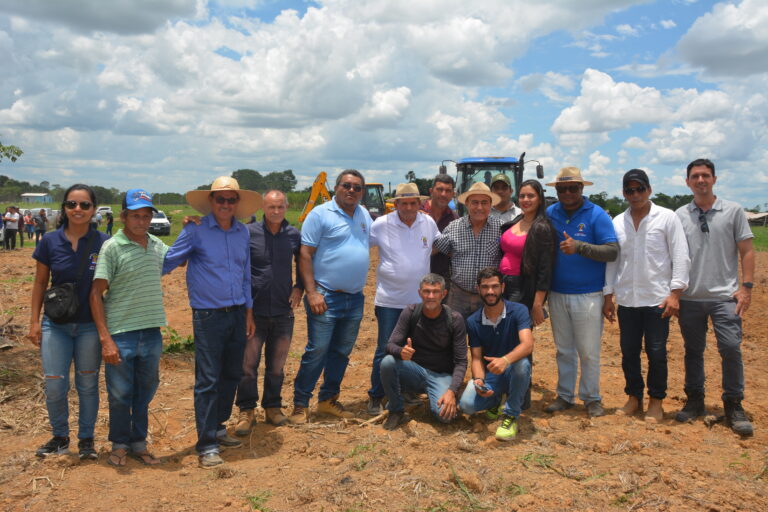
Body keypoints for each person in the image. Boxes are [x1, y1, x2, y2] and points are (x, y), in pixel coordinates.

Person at [163, 176, 261, 468]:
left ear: (237, 204)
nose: (226, 204)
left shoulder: (242, 233)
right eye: (221, 199)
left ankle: (218, 427)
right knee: (208, 379)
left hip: (237, 312)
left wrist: (249, 311)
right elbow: (168, 261)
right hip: (208, 316)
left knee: (231, 373)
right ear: (211, 202)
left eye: (231, 200)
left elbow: (245, 274)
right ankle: (206, 444)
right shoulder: (195, 231)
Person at [675, 158, 755, 436]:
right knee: (693, 352)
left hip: (725, 297)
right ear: (687, 182)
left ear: (714, 179)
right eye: (695, 176)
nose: (700, 180)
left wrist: (746, 287)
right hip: (690, 297)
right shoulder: (680, 215)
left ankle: (733, 404)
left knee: (731, 348)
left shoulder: (733, 211)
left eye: (705, 175)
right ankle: (695, 400)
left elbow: (746, 250)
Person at [27, 185, 108, 459]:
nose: (78, 209)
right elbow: (39, 283)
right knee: (54, 383)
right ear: (64, 208)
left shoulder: (104, 243)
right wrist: (34, 322)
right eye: (72, 204)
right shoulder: (49, 241)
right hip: (55, 325)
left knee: (87, 385)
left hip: (88, 326)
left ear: (93, 209)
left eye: (85, 205)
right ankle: (60, 437)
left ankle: (86, 441)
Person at [603, 169, 690, 422]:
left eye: (640, 189)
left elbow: (680, 255)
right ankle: (634, 398)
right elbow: (613, 261)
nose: (635, 194)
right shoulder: (618, 222)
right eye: (630, 190)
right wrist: (608, 295)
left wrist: (675, 293)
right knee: (628, 351)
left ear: (649, 190)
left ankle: (656, 401)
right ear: (623, 194)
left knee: (656, 352)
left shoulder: (667, 218)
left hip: (657, 299)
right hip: (628, 299)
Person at [90, 189, 168, 466]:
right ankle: (120, 444)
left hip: (151, 332)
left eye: (146, 216)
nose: (142, 222)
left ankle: (139, 442)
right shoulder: (112, 247)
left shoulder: (158, 246)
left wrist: (197, 227)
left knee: (145, 391)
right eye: (136, 216)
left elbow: (183, 257)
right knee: (121, 394)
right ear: (123, 216)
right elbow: (96, 294)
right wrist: (105, 339)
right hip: (121, 334)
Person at [290, 170, 372, 424]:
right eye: (346, 185)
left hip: (354, 298)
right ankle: (300, 404)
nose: (351, 190)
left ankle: (327, 400)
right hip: (325, 296)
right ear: (336, 188)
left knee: (341, 352)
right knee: (317, 350)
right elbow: (305, 254)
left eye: (357, 188)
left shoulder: (364, 213)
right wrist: (311, 292)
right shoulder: (319, 214)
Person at [545, 167, 618, 417]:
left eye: (572, 188)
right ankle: (565, 395)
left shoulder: (597, 215)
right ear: (556, 190)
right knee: (563, 349)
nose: (567, 193)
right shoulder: (550, 213)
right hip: (557, 293)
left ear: (582, 189)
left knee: (588, 351)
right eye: (562, 188)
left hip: (588, 294)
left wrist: (580, 247)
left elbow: (612, 251)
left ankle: (591, 397)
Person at [233, 190, 303, 434]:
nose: (276, 212)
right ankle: (246, 410)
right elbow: (239, 269)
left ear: (286, 207)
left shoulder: (293, 235)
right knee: (248, 365)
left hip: (283, 311)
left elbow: (303, 262)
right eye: (271, 207)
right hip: (255, 310)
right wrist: (245, 309)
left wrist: (300, 286)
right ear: (263, 207)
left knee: (277, 365)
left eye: (280, 207)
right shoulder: (248, 233)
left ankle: (272, 407)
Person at [366, 183, 439, 416]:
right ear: (395, 204)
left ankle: (405, 391)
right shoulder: (380, 225)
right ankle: (376, 396)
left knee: (413, 349)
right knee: (385, 349)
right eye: (403, 203)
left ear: (420, 203)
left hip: (418, 302)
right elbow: (361, 247)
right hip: (389, 300)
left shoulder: (427, 222)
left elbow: (435, 246)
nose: (408, 207)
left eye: (413, 203)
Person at [380, 273, 466, 430]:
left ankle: (449, 397)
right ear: (420, 293)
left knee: (445, 417)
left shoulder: (454, 319)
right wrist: (401, 352)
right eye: (426, 291)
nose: (430, 296)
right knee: (387, 362)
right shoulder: (411, 312)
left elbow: (461, 361)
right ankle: (396, 410)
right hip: (415, 372)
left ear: (443, 294)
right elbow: (390, 345)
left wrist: (452, 391)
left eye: (435, 292)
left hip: (441, 375)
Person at [459, 268, 533, 441]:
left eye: (494, 286)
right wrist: (478, 380)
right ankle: (495, 400)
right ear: (478, 289)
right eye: (485, 287)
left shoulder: (519, 310)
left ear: (503, 287)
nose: (490, 291)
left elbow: (528, 344)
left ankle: (511, 415)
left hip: (514, 370)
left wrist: (506, 360)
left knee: (522, 364)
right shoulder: (473, 321)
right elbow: (476, 358)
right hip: (492, 375)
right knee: (467, 406)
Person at [433, 182, 503, 319]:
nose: (479, 207)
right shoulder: (453, 227)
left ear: (491, 204)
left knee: (487, 337)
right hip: (458, 295)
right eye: (474, 202)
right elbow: (439, 249)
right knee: (454, 335)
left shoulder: (500, 229)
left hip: (489, 297)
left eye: (484, 202)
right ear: (467, 203)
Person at [499, 179, 558, 323]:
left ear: (539, 199)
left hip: (521, 288)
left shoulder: (542, 228)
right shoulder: (517, 220)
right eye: (522, 196)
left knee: (515, 332)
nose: (525, 200)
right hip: (502, 283)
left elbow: (545, 269)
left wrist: (537, 304)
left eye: (531, 196)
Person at [422, 175, 458, 291]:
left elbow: (456, 250)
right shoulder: (417, 212)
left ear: (453, 194)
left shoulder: (454, 219)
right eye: (440, 189)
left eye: (448, 191)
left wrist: (431, 246)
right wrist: (443, 246)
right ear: (431, 191)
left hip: (441, 280)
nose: (443, 194)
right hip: (414, 277)